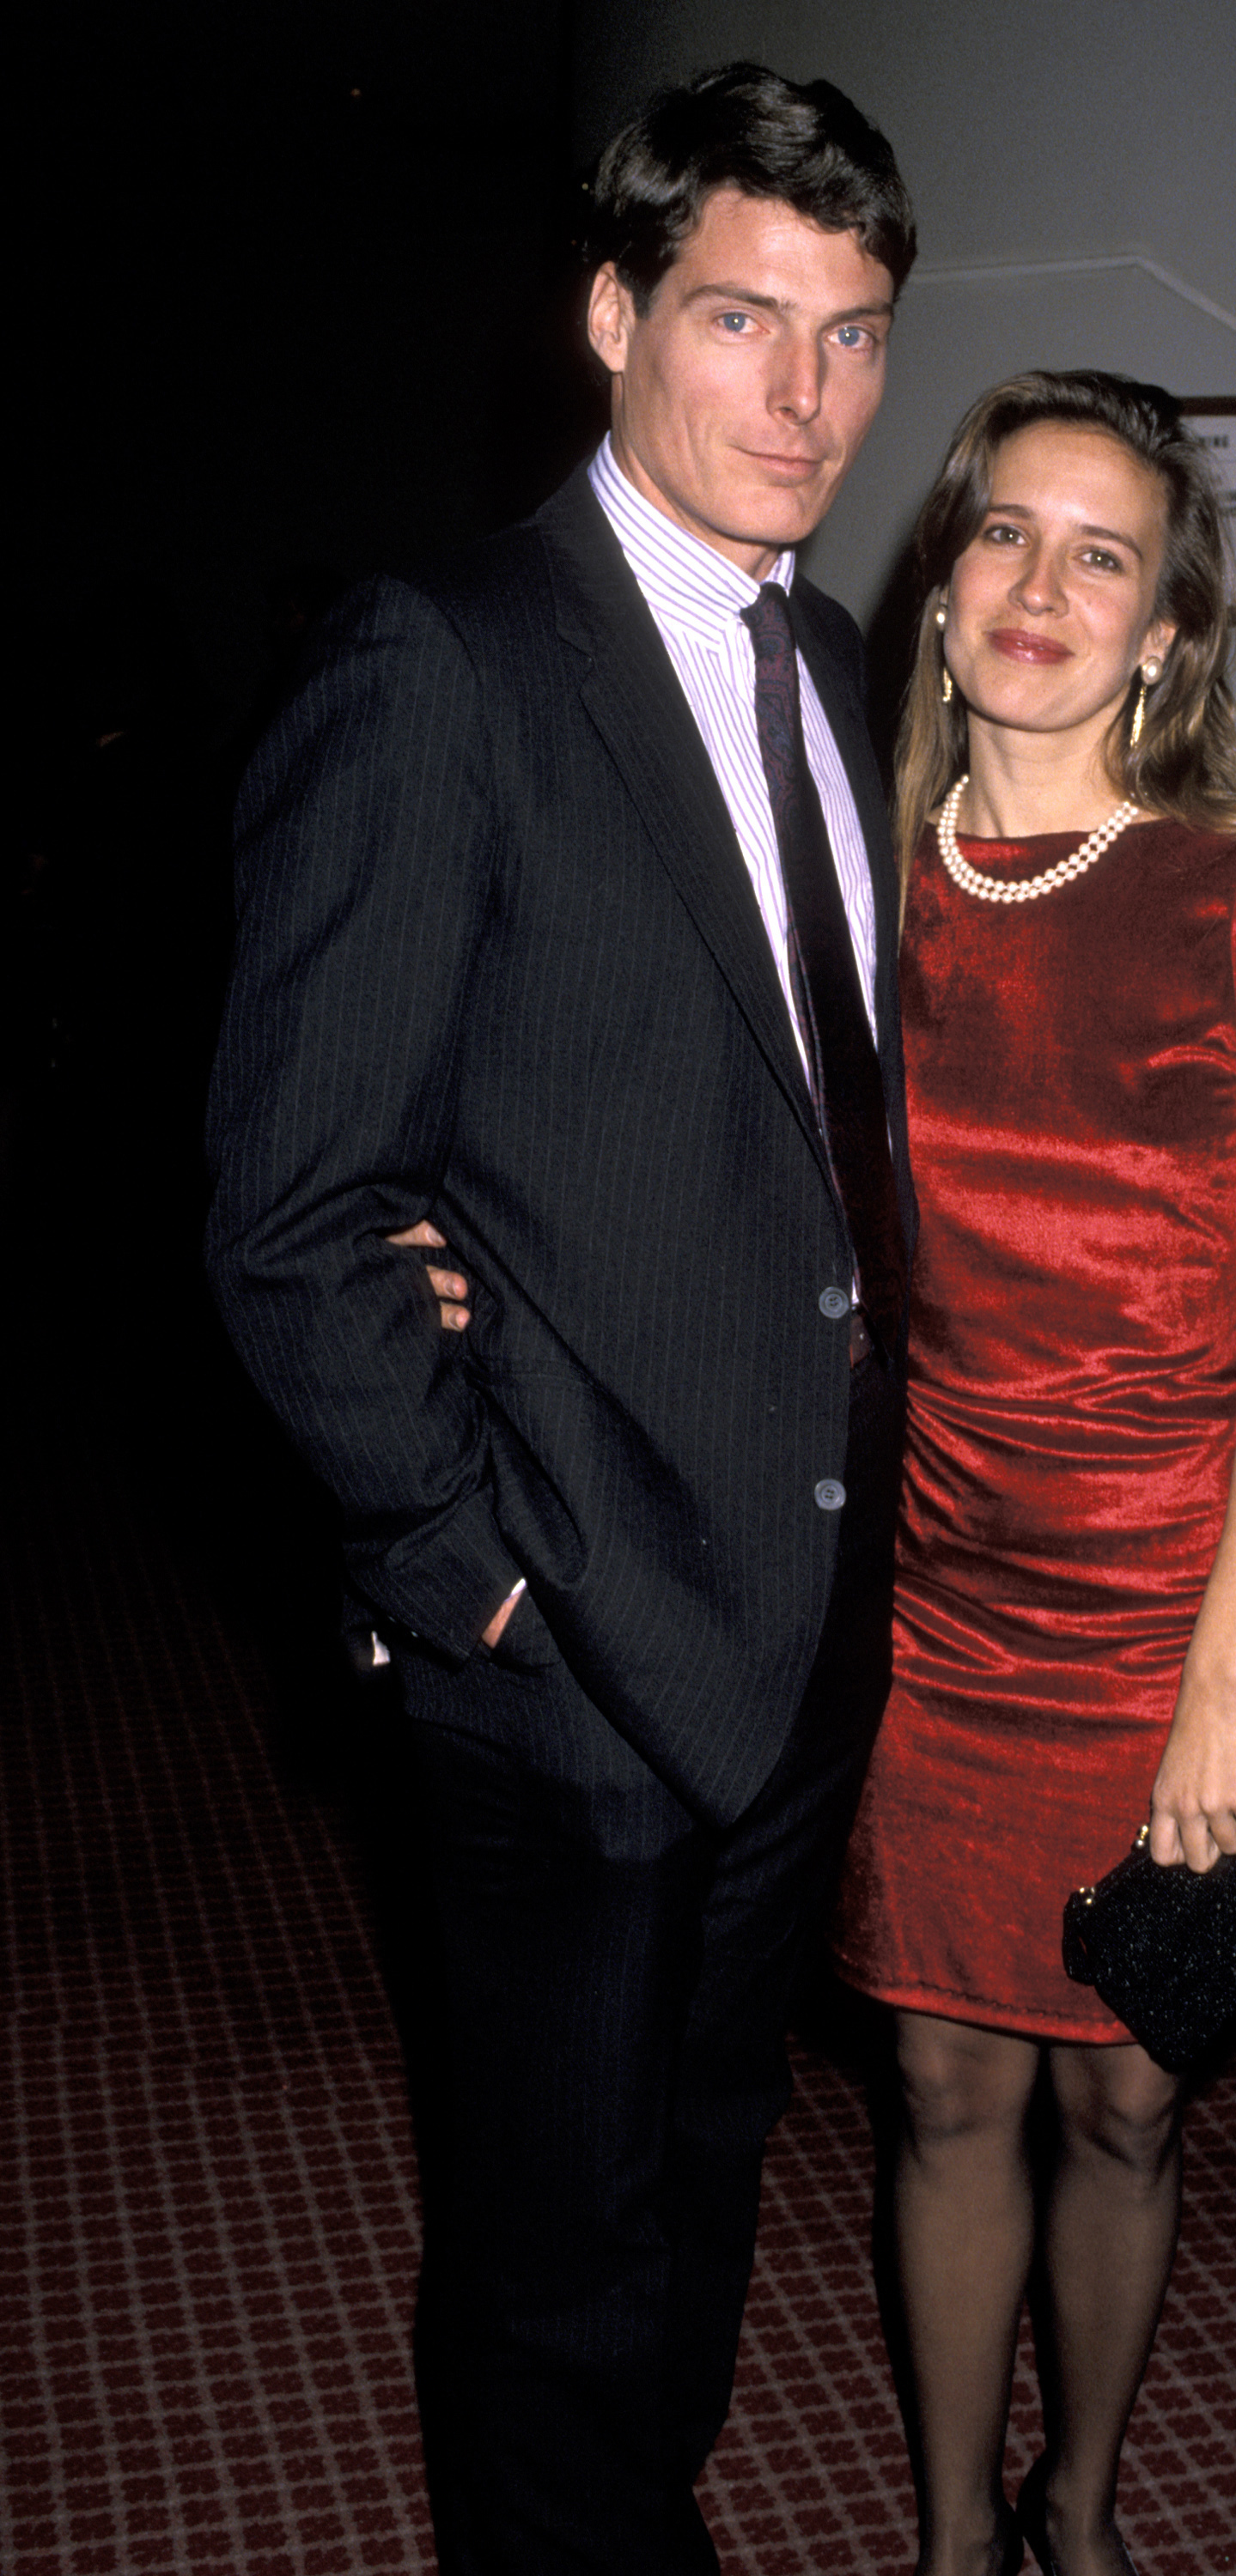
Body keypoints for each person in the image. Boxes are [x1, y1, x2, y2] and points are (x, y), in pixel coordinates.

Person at [204, 64, 917, 2576]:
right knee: (547, 2247)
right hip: (564, 1635)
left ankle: (632, 2529)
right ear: (614, 317)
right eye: (739, 320)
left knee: (699, 2186)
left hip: (804, 1615)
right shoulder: (446, 661)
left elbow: (803, 1117)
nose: (801, 399)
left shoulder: (833, 666)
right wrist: (467, 1564)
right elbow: (288, 1200)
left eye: (845, 337)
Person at [828, 372, 1236, 2576]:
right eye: (1002, 537)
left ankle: (1081, 2501)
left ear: (1164, 630)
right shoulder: (848, 880)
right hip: (919, 1599)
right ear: (940, 581)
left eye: (1102, 553)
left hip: (1175, 1604)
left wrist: (1224, 1681)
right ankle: (956, 2536)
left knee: (1121, 2103)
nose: (1039, 588)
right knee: (948, 2090)